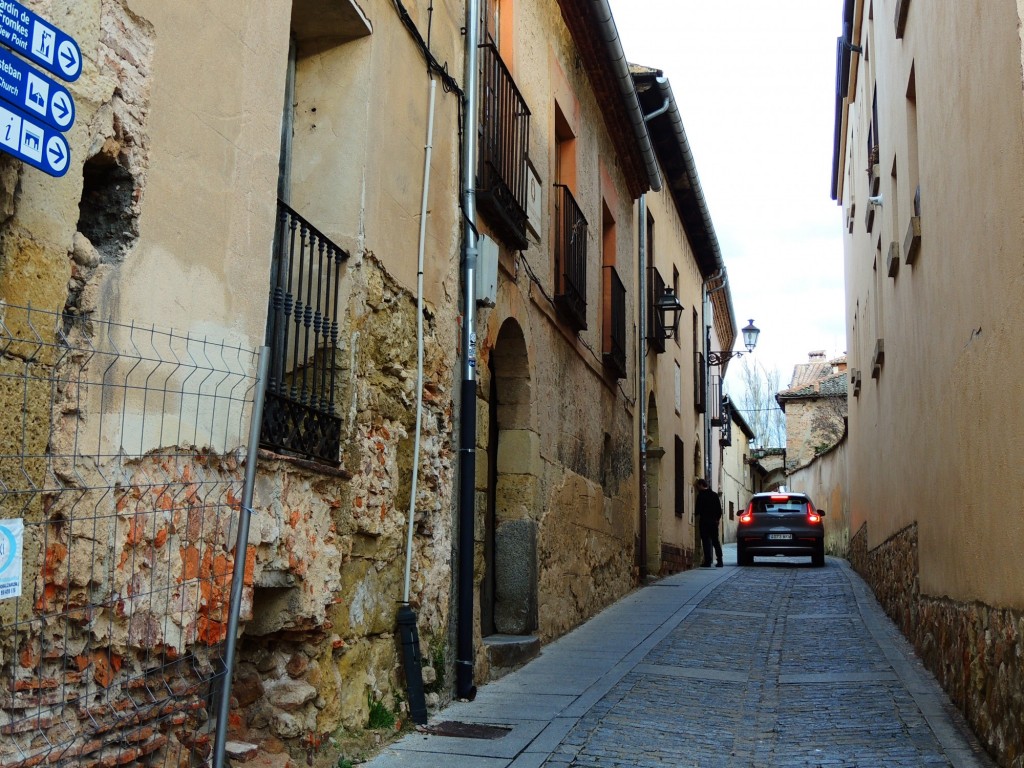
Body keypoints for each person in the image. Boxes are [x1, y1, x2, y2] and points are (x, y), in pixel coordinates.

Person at [695, 478, 723, 568]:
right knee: (715, 541)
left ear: (701, 485)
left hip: (704, 521)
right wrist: (717, 519)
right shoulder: (714, 495)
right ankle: (720, 560)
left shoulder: (700, 496)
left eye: (697, 486)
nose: (697, 488)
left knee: (706, 541)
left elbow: (697, 510)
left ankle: (708, 561)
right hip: (713, 522)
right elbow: (719, 509)